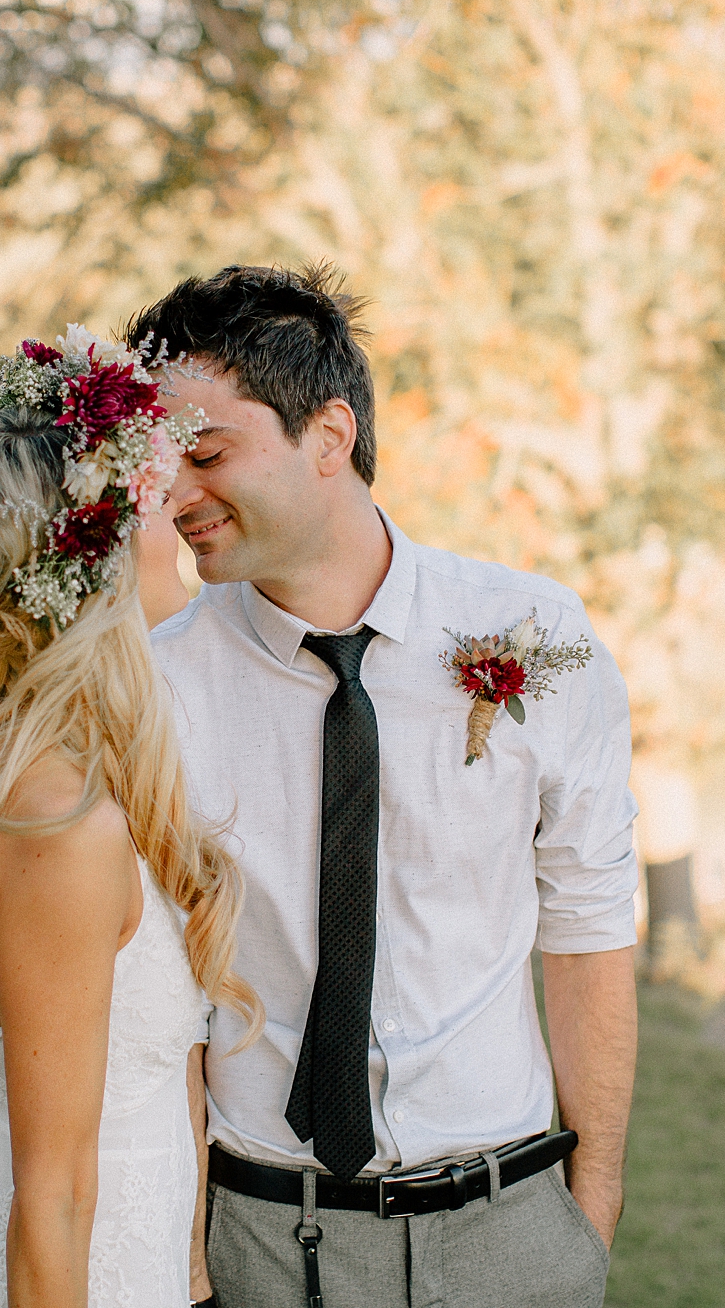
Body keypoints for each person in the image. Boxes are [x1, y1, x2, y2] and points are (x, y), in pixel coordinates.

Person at [130, 265, 640, 1308]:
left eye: (206, 452)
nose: (173, 495)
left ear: (328, 435)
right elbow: (164, 1001)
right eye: (159, 462)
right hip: (270, 1239)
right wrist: (192, 1266)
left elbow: (587, 927)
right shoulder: (156, 687)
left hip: (514, 1231)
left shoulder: (534, 634)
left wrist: (586, 1221)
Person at [0, 330, 259, 1308]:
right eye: (148, 506)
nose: (177, 514)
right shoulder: (56, 831)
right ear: (90, 571)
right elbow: (52, 1195)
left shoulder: (14, 771)